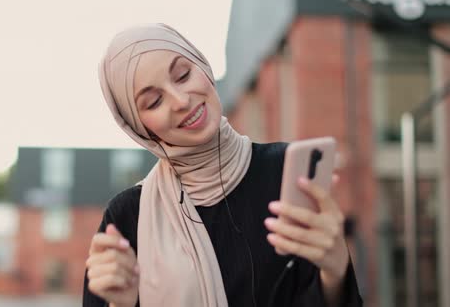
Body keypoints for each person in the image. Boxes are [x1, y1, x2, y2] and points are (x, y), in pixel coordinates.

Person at [83, 23, 363, 307]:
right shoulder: (128, 216)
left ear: (203, 66)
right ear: (141, 129)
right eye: (154, 101)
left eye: (183, 75)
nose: (181, 101)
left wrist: (336, 270)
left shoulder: (287, 172)